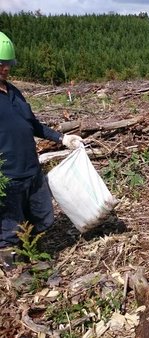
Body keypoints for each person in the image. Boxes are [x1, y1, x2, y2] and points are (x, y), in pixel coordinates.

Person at [0, 31, 83, 270]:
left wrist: (62, 137)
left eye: (8, 64)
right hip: (8, 177)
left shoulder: (14, 91)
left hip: (31, 170)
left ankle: (34, 256)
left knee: (43, 216)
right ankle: (14, 271)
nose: (5, 69)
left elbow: (32, 124)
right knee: (9, 230)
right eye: (0, 64)